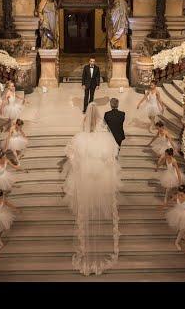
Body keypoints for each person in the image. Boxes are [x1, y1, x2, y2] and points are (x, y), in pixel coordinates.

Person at [62, 102, 122, 276]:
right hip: (99, 174)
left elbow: (72, 153)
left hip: (86, 174)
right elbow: (111, 155)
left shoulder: (81, 137)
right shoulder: (104, 135)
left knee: (84, 204)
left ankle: (84, 251)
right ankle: (107, 248)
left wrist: (79, 164)